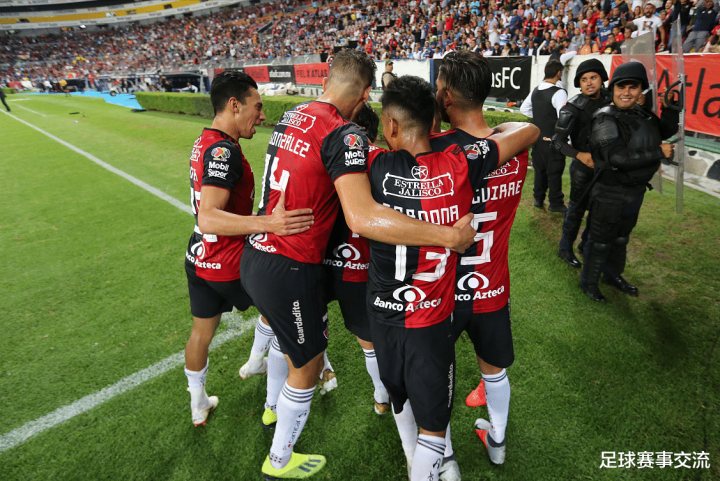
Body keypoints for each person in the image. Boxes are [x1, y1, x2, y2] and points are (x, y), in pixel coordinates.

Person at [240, 49, 476, 480]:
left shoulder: (293, 114)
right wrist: (447, 235)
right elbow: (362, 217)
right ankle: (279, 458)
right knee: (309, 363)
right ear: (366, 94)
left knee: (292, 345)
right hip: (294, 263)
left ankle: (273, 407)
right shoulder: (345, 134)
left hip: (260, 254)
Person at [183, 71, 314, 427]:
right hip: (227, 260)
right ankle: (286, 380)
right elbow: (209, 216)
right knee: (292, 307)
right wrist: (268, 223)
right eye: (257, 107)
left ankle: (198, 403)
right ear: (234, 105)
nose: (262, 115)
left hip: (198, 256)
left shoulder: (205, 141)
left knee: (200, 334)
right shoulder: (224, 151)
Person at [432, 50, 539, 473]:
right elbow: (526, 128)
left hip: (441, 291)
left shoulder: (436, 151)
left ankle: (444, 456)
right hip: (491, 287)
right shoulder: (514, 147)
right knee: (494, 372)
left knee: (435, 374)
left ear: (446, 96)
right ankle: (497, 442)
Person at [580, 62, 679, 301]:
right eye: (621, 87)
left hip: (635, 191)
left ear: (640, 90)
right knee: (600, 240)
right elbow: (617, 158)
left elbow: (660, 132)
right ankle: (589, 282)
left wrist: (670, 110)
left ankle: (612, 275)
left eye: (633, 87)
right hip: (610, 192)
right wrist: (658, 152)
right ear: (612, 89)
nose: (626, 92)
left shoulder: (641, 113)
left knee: (621, 238)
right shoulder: (604, 119)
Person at [553, 59, 611, 268]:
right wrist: (579, 155)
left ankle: (586, 243)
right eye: (584, 79)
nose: (589, 83)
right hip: (582, 168)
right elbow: (557, 142)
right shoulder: (572, 107)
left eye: (593, 77)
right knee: (576, 210)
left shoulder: (612, 99)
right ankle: (565, 248)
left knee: (598, 209)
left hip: (606, 167)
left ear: (602, 78)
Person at [520, 59, 569, 212]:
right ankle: (555, 202)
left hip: (537, 139)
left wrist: (540, 117)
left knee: (539, 170)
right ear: (559, 73)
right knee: (554, 171)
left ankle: (538, 199)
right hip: (553, 139)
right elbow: (563, 117)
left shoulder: (536, 90)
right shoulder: (559, 92)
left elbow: (524, 109)